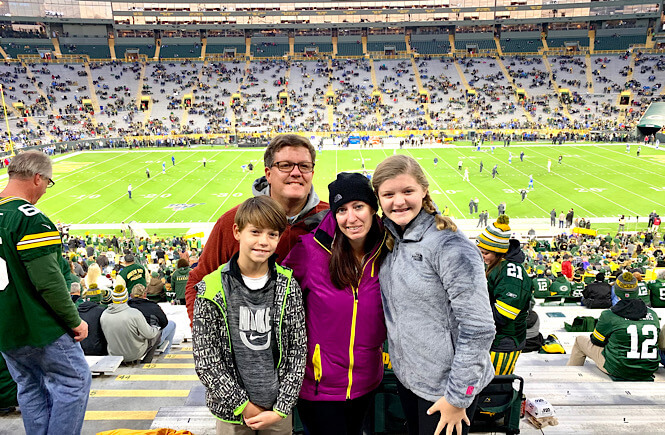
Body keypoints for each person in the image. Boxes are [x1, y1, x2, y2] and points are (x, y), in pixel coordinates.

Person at [371, 155, 495, 435]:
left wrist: (458, 397)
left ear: (424, 190)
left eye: (407, 191)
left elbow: (479, 328)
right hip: (411, 380)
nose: (398, 201)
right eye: (388, 194)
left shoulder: (450, 246)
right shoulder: (393, 239)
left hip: (447, 389)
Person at [185, 134, 329, 325]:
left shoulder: (332, 220)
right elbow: (198, 281)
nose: (296, 172)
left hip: (316, 349)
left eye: (304, 166)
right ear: (268, 173)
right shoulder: (233, 221)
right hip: (248, 345)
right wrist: (207, 339)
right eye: (285, 165)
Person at [192, 196, 307, 434]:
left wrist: (281, 407)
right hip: (231, 412)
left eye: (272, 234)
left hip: (277, 410)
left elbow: (297, 351)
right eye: (255, 232)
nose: (263, 241)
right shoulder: (211, 287)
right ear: (237, 231)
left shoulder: (287, 285)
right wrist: (243, 406)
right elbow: (206, 359)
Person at [283, 173, 386, 435]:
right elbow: (276, 299)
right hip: (319, 387)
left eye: (358, 207)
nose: (351, 218)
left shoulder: (388, 249)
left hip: (367, 382)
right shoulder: (309, 251)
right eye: (342, 209)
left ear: (373, 208)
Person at [0, 151, 91, 434]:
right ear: (38, 178)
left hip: (5, 326)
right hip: (38, 325)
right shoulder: (30, 218)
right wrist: (74, 320)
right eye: (48, 182)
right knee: (75, 380)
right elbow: (48, 281)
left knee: (29, 385)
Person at [567, 272, 663, 381]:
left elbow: (596, 341)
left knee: (580, 340)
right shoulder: (653, 314)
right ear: (636, 291)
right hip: (648, 369)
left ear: (617, 291)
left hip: (618, 368)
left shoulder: (609, 315)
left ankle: (570, 377)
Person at [477, 216, 532, 375]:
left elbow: (504, 313)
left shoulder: (510, 272)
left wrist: (473, 319)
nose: (482, 257)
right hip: (496, 338)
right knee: (479, 382)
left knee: (493, 385)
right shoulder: (500, 265)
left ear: (498, 252)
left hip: (504, 341)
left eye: (485, 253)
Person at [100, 284, 162, 363]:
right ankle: (146, 363)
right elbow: (149, 334)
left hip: (114, 354)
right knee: (156, 334)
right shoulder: (134, 313)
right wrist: (155, 328)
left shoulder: (104, 315)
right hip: (134, 354)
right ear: (126, 297)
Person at [128, 284, 176, 355]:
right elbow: (164, 323)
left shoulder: (127, 307)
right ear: (145, 294)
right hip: (150, 340)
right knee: (172, 324)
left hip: (130, 341)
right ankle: (165, 353)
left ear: (131, 295)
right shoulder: (153, 306)